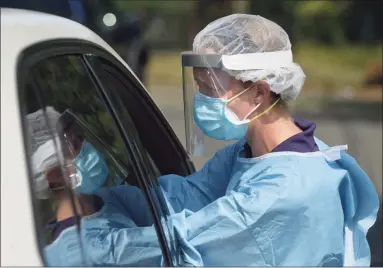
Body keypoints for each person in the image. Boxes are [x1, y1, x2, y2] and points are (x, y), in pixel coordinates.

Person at [30, 14, 379, 267]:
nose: (202, 102)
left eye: (208, 90)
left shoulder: (284, 193)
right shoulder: (252, 155)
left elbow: (181, 240)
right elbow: (184, 197)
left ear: (259, 91)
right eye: (197, 89)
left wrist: (78, 245)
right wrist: (98, 200)